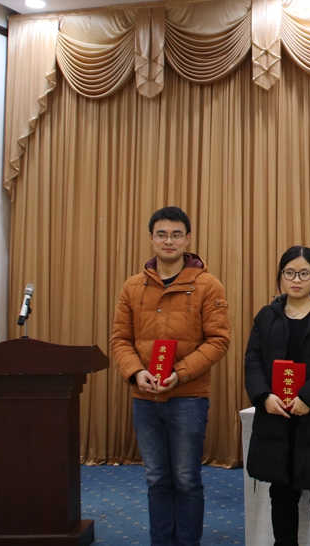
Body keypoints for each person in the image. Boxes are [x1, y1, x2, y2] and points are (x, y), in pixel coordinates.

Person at [110, 206, 231, 546]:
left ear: (187, 239)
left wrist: (180, 373)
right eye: (161, 234)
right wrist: (135, 372)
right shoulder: (133, 287)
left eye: (176, 235)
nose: (169, 241)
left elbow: (219, 340)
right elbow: (120, 339)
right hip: (144, 398)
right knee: (156, 479)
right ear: (151, 238)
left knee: (187, 479)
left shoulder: (207, 285)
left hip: (188, 397)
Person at [244, 246, 310, 546]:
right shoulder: (266, 316)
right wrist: (263, 396)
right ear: (280, 276)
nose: (296, 280)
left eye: (304, 273)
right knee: (281, 493)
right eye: (290, 272)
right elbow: (253, 361)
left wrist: (307, 398)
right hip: (277, 416)